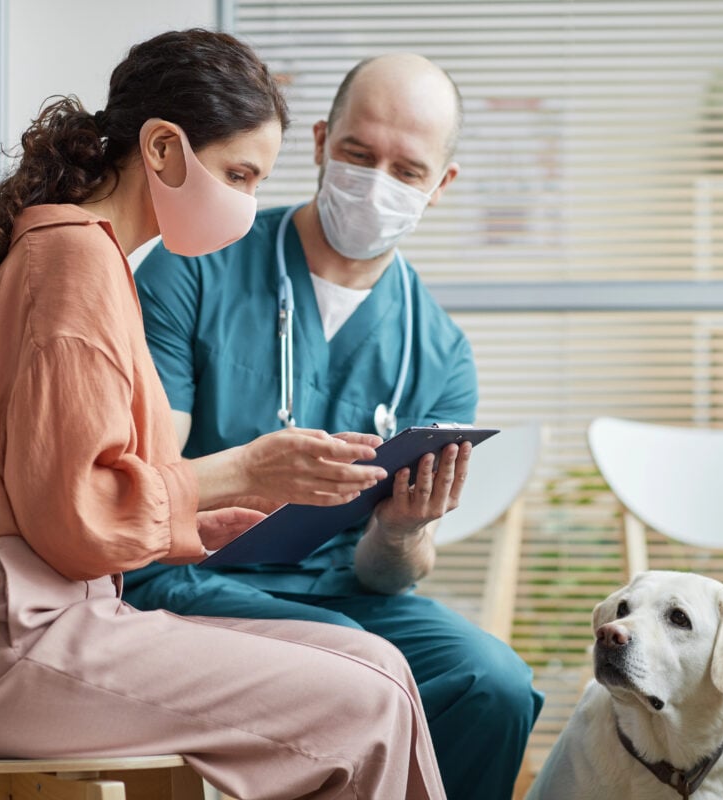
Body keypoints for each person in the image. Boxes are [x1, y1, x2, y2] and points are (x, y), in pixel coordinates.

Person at [0, 30, 448, 800]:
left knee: (383, 667)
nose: (250, 202)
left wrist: (204, 515)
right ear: (162, 149)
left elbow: (76, 487)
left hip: (47, 614)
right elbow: (77, 517)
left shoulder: (94, 262)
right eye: (240, 173)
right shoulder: (76, 265)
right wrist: (243, 468)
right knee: (371, 698)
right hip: (4, 640)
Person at [124, 53, 543, 800]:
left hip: (347, 596)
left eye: (407, 169)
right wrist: (251, 468)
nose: (376, 181)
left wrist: (401, 532)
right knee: (357, 663)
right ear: (319, 142)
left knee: (495, 682)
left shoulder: (439, 348)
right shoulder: (196, 266)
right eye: (357, 153)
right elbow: (145, 467)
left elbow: (389, 575)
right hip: (190, 578)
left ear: (440, 186)